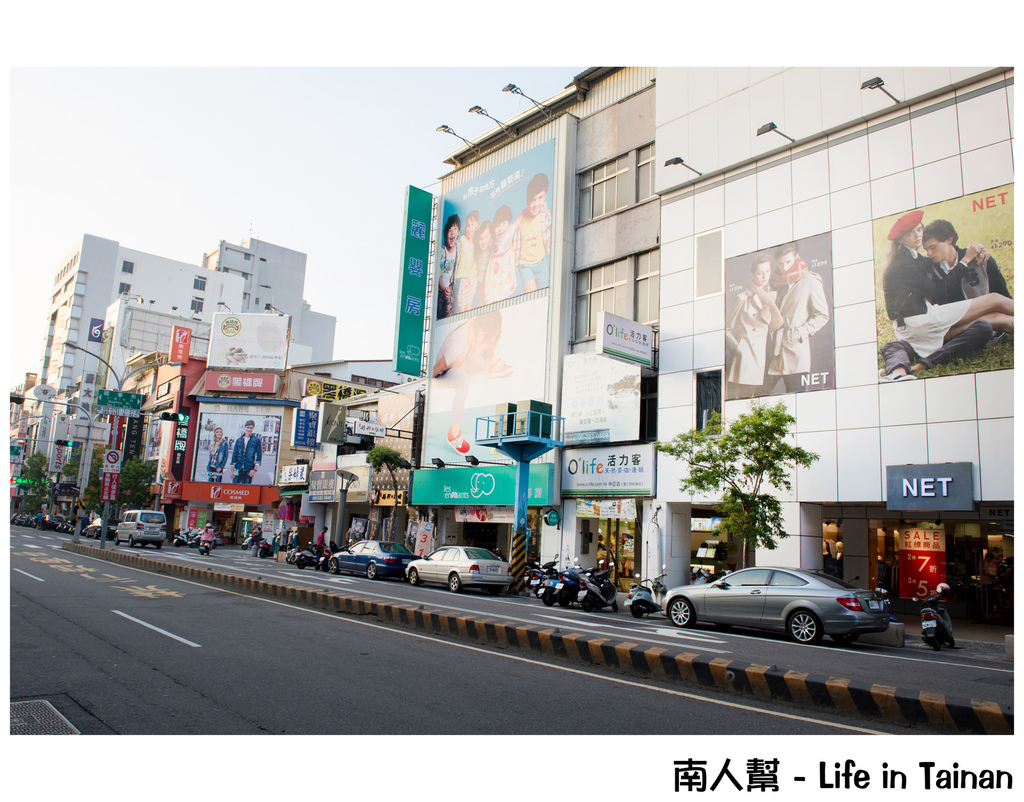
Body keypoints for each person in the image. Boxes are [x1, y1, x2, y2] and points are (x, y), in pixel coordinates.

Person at [879, 216, 1013, 380]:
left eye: (919, 230)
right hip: (921, 320)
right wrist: (964, 262)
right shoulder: (905, 264)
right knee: (994, 300)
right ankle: (912, 367)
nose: (917, 236)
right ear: (901, 239)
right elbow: (937, 290)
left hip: (917, 323)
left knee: (996, 318)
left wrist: (978, 248)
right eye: (909, 234)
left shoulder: (913, 258)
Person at [431, 310, 512, 454]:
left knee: (477, 360)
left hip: (459, 361)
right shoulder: (458, 345)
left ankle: (492, 364)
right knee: (463, 380)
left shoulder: (474, 323)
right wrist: (428, 383)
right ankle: (454, 434)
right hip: (444, 373)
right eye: (482, 338)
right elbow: (438, 367)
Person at [766, 242, 830, 393]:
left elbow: (822, 314)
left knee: (797, 400)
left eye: (788, 262)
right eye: (781, 263)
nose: (785, 267)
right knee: (757, 400)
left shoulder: (809, 280)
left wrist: (801, 333)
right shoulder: (772, 281)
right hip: (771, 351)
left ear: (796, 257)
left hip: (794, 350)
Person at [725, 253, 784, 398]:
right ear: (752, 275)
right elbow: (726, 330)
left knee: (762, 410)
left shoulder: (773, 296)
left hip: (769, 357)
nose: (764, 276)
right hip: (748, 358)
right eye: (760, 273)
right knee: (744, 408)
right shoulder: (742, 298)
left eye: (767, 271)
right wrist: (739, 349)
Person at [513, 173, 552, 293]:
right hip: (525, 265)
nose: (536, 204)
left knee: (544, 295)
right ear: (527, 201)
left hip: (540, 262)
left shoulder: (544, 215)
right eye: (532, 200)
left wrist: (542, 204)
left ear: (545, 195)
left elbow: (545, 210)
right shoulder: (522, 220)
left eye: (540, 198)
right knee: (531, 296)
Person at [483, 206, 519, 304]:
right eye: (497, 226)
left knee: (502, 299)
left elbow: (520, 218)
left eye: (504, 223)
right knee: (488, 299)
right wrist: (480, 229)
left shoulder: (510, 231)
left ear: (508, 224)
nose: (500, 229)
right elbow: (482, 239)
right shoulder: (492, 238)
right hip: (493, 274)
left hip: (505, 272)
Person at [453, 211, 480, 313]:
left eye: (472, 225)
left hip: (473, 277)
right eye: (468, 225)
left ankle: (468, 322)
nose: (470, 228)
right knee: (461, 305)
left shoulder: (477, 240)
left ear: (477, 224)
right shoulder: (462, 240)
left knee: (469, 305)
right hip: (464, 277)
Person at [436, 214, 461, 319]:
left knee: (450, 314)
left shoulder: (459, 247)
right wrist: (443, 288)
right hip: (441, 290)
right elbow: (438, 273)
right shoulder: (442, 252)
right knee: (441, 315)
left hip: (451, 289)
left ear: (458, 232)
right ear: (445, 237)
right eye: (450, 230)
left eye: (455, 229)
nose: (452, 232)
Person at [230, 419, 262, 484]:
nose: (249, 429)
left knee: (247, 490)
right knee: (235, 488)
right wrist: (231, 470)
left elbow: (259, 456)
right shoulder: (239, 440)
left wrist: (255, 470)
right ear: (245, 428)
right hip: (238, 468)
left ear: (253, 429)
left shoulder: (256, 441)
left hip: (249, 469)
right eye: (248, 427)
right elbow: (234, 456)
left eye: (251, 428)